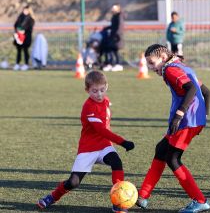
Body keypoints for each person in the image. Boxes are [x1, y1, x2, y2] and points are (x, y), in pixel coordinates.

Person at [36, 70, 135, 212]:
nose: (99, 94)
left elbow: (104, 127)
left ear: (106, 86)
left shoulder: (106, 101)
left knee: (116, 162)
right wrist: (123, 142)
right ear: (87, 90)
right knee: (73, 182)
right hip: (88, 148)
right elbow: (102, 130)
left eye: (102, 90)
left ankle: (118, 201)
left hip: (104, 145)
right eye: (94, 91)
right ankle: (52, 197)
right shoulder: (88, 107)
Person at [135, 44, 210, 213]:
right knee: (161, 149)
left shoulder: (170, 70)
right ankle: (143, 196)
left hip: (186, 121)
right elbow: (206, 91)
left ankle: (200, 200)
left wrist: (179, 114)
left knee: (173, 159)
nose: (150, 68)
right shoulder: (181, 66)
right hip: (191, 120)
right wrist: (204, 116)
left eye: (152, 63)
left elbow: (191, 89)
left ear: (162, 57)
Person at [103, 4, 124, 72]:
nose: (112, 9)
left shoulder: (119, 16)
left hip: (116, 36)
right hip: (113, 36)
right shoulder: (114, 16)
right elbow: (113, 26)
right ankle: (110, 64)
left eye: (114, 8)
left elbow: (119, 27)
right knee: (110, 50)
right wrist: (106, 28)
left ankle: (118, 64)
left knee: (115, 50)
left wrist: (117, 35)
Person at [13, 5, 35, 71]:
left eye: (26, 10)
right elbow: (15, 25)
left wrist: (23, 31)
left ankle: (26, 64)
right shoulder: (20, 17)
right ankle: (17, 64)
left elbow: (29, 28)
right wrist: (18, 30)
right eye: (24, 10)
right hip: (19, 37)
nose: (25, 11)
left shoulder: (31, 19)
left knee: (25, 51)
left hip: (26, 37)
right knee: (19, 51)